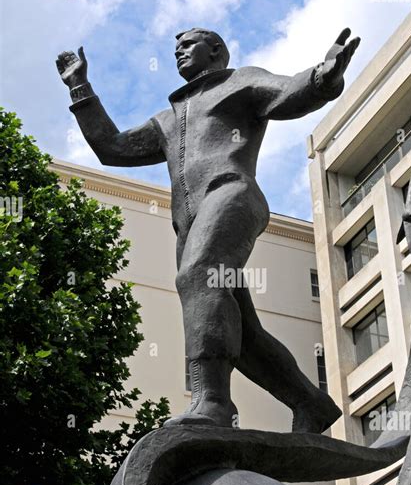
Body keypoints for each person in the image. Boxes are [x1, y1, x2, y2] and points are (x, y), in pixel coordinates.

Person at [56, 26, 360, 431]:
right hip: (190, 222)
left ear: (216, 49)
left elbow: (288, 92)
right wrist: (80, 88)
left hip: (232, 196)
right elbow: (112, 147)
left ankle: (212, 400)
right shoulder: (170, 119)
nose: (178, 53)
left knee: (199, 276)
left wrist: (324, 76)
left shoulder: (241, 82)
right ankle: (309, 402)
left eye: (187, 45)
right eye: (174, 48)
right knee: (244, 334)